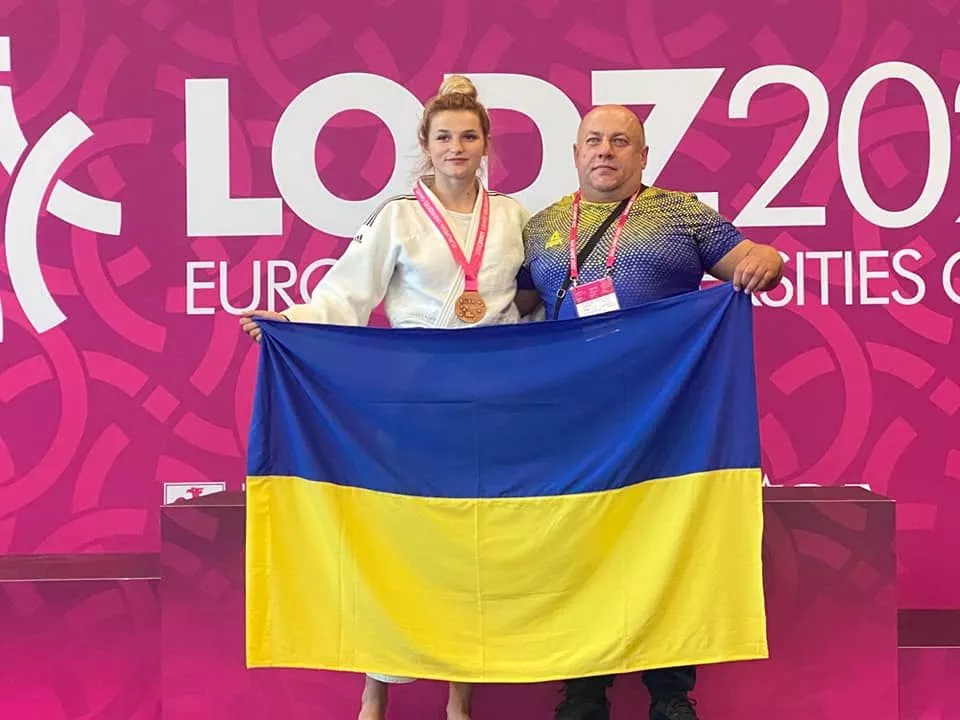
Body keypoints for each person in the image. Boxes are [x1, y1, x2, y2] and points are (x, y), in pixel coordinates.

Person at [240, 75, 529, 720]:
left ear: (486, 144)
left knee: (472, 546)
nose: (457, 148)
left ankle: (459, 698)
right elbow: (347, 294)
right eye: (444, 137)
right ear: (425, 145)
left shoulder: (513, 216)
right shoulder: (397, 216)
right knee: (401, 541)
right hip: (415, 399)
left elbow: (534, 300)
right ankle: (375, 693)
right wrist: (292, 323)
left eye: (469, 136)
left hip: (492, 398)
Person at [515, 105, 783, 720]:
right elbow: (512, 309)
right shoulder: (543, 226)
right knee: (580, 544)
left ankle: (671, 694)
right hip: (576, 418)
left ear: (643, 156)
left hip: (666, 413)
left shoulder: (682, 213)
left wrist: (768, 261)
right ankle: (584, 691)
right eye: (593, 141)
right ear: (575, 153)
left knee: (669, 542)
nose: (605, 151)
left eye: (620, 141)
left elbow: (755, 258)